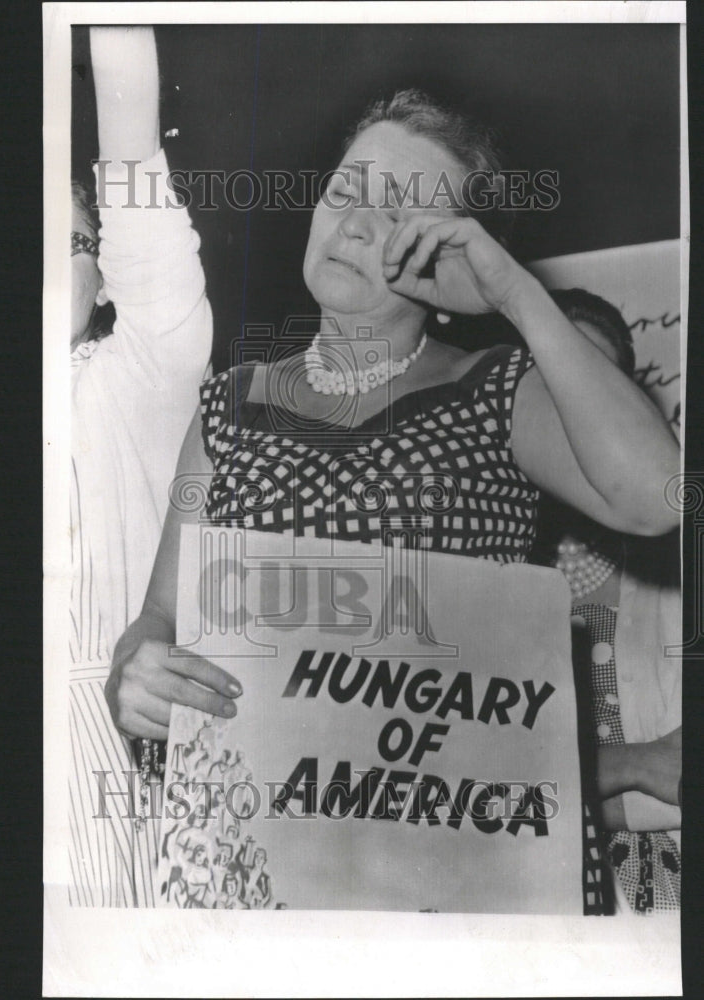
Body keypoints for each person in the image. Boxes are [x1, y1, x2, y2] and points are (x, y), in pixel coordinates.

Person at [107, 87, 679, 771]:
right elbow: (159, 620)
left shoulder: (494, 390)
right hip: (263, 839)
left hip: (456, 846)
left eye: (396, 215)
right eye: (347, 191)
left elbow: (657, 498)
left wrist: (516, 295)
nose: (353, 225)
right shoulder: (228, 407)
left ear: (451, 253)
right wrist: (132, 672)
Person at [67, 27, 212, 906]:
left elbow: (129, 155)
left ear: (110, 274)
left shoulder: (136, 378)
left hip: (99, 767)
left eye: (70, 239)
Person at [535, 288, 681, 914]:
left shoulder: (679, 570)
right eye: (545, 387)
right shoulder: (459, 562)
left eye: (594, 387)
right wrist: (633, 763)